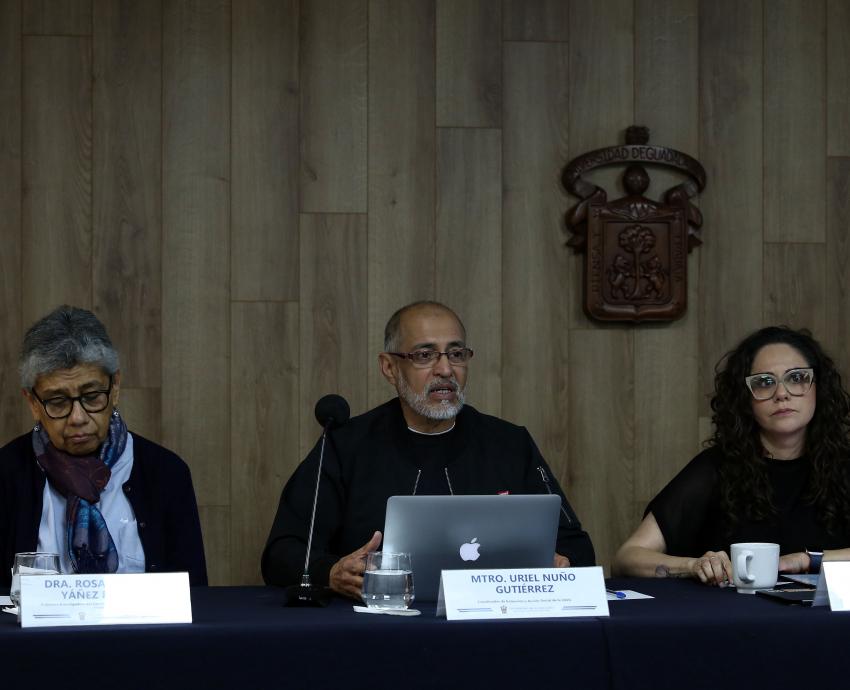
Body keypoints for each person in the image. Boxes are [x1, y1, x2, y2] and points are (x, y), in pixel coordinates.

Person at [262, 301, 594, 599]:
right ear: (390, 368)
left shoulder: (509, 443)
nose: (446, 370)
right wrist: (331, 573)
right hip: (374, 629)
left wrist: (562, 561)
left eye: (456, 354)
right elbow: (282, 552)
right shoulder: (346, 445)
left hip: (491, 623)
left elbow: (576, 546)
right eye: (425, 355)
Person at [613, 326, 850, 585]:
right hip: (734, 621)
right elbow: (626, 558)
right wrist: (694, 565)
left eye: (796, 378)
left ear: (819, 387)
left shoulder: (843, 466)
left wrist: (808, 561)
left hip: (826, 623)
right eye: (764, 382)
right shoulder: (717, 467)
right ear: (745, 399)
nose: (782, 394)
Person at [0, 306, 207, 586]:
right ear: (33, 403)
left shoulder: (166, 474)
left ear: (116, 387)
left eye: (92, 396)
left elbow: (192, 596)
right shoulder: (6, 475)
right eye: (57, 402)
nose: (78, 418)